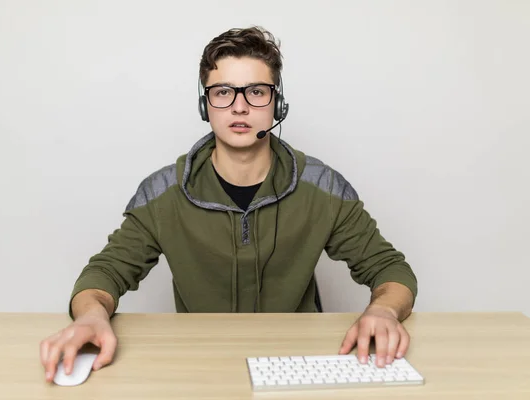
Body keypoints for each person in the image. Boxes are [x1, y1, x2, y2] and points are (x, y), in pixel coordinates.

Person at [39, 25, 418, 383]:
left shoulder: (322, 187)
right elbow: (104, 274)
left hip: (298, 361)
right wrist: (90, 316)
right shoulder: (163, 192)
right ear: (206, 106)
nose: (239, 107)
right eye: (222, 92)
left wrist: (382, 311)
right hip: (200, 363)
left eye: (255, 91)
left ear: (277, 103)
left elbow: (390, 269)